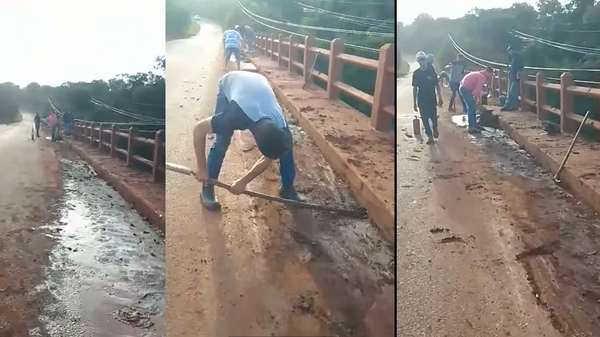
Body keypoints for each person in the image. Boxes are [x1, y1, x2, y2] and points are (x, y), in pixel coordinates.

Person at [193, 70, 302, 210]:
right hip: (230, 81)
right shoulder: (234, 115)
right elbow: (198, 129)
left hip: (257, 83)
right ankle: (208, 185)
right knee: (221, 141)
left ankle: (287, 188)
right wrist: (202, 169)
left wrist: (243, 182)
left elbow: (267, 158)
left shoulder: (280, 122)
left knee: (285, 148)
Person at [412, 51, 443, 144]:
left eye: (423, 59)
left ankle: (435, 129)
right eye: (420, 60)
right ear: (418, 61)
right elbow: (415, 89)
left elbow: (437, 84)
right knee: (424, 118)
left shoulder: (431, 70)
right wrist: (414, 102)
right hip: (421, 98)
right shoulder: (416, 73)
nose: (422, 61)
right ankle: (430, 136)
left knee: (433, 116)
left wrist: (440, 97)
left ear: (426, 60)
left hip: (431, 97)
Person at [459, 67, 494, 134]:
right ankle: (472, 126)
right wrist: (476, 101)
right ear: (487, 72)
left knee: (472, 107)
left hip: (464, 88)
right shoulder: (482, 77)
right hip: (465, 89)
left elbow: (477, 90)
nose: (490, 77)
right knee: (471, 107)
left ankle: (474, 124)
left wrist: (477, 99)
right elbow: (478, 90)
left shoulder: (478, 74)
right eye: (490, 75)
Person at [501, 46, 524, 111]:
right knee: (513, 93)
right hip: (512, 77)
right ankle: (514, 106)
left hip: (514, 78)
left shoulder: (516, 57)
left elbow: (520, 66)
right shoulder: (513, 57)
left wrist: (519, 72)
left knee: (511, 92)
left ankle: (507, 105)